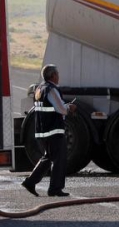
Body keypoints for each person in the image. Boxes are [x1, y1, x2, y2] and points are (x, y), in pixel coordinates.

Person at [22, 64, 77, 197]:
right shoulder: (51, 90)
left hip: (42, 131)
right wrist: (70, 108)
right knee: (59, 159)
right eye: (57, 74)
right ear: (53, 76)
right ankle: (55, 189)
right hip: (53, 130)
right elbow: (60, 109)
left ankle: (30, 182)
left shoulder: (40, 89)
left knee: (49, 157)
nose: (58, 77)